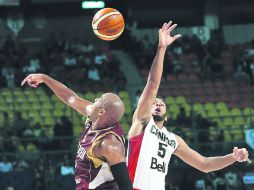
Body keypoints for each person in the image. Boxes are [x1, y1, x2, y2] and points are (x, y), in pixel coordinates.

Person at [127, 21, 250, 190]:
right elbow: (153, 83)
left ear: (167, 115)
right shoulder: (142, 123)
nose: (157, 103)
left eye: (161, 103)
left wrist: (233, 157)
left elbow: (205, 164)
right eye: (154, 102)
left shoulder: (173, 139)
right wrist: (161, 48)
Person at [21, 74, 132, 190]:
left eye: (100, 99)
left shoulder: (109, 144)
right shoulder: (94, 118)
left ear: (102, 112)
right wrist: (44, 78)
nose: (95, 99)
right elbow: (70, 97)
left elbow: (126, 186)